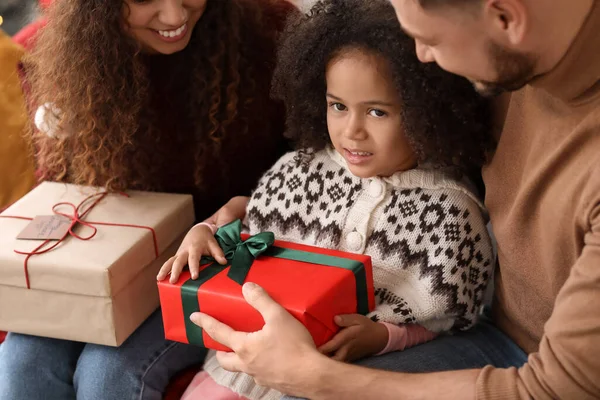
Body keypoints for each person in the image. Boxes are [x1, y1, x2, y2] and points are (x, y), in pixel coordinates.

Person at [190, 0, 600, 399]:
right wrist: (235, 215)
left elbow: (555, 388)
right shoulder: (508, 58)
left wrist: (316, 378)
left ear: (506, 17)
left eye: (428, 39)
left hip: (526, 367)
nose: (420, 56)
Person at [159, 1, 496, 398]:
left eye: (377, 112)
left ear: (428, 111)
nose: (352, 131)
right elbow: (250, 238)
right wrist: (207, 231)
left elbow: (448, 316)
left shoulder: (450, 212)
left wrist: (384, 336)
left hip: (337, 377)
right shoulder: (299, 169)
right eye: (338, 106)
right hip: (235, 368)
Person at [0, 0, 296, 399]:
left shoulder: (272, 28)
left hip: (220, 268)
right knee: (22, 360)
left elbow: (316, 169)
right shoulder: (62, 52)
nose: (174, 16)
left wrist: (241, 213)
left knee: (108, 373)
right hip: (108, 264)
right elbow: (62, 191)